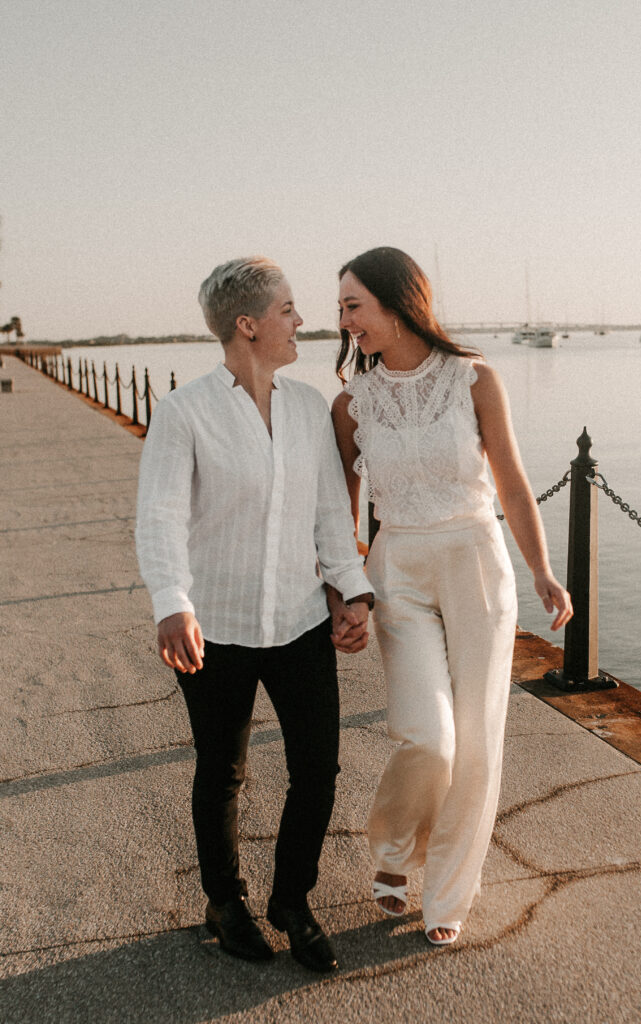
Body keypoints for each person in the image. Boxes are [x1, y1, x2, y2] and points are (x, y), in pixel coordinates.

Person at [135, 257, 373, 973]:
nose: (301, 320)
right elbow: (160, 518)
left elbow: (333, 516)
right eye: (288, 309)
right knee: (223, 768)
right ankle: (225, 901)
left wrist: (351, 593)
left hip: (300, 621)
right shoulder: (184, 413)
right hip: (216, 626)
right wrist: (172, 604)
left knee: (319, 769)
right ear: (248, 324)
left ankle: (292, 902)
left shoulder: (307, 408)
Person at [331, 247, 572, 946]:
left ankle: (445, 893)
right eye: (342, 308)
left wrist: (542, 571)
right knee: (429, 739)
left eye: (353, 305)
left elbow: (512, 484)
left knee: (476, 744)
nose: (344, 320)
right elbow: (340, 517)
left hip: (475, 561)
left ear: (397, 302)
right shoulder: (350, 403)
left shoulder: (474, 380)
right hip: (396, 566)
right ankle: (393, 851)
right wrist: (344, 595)